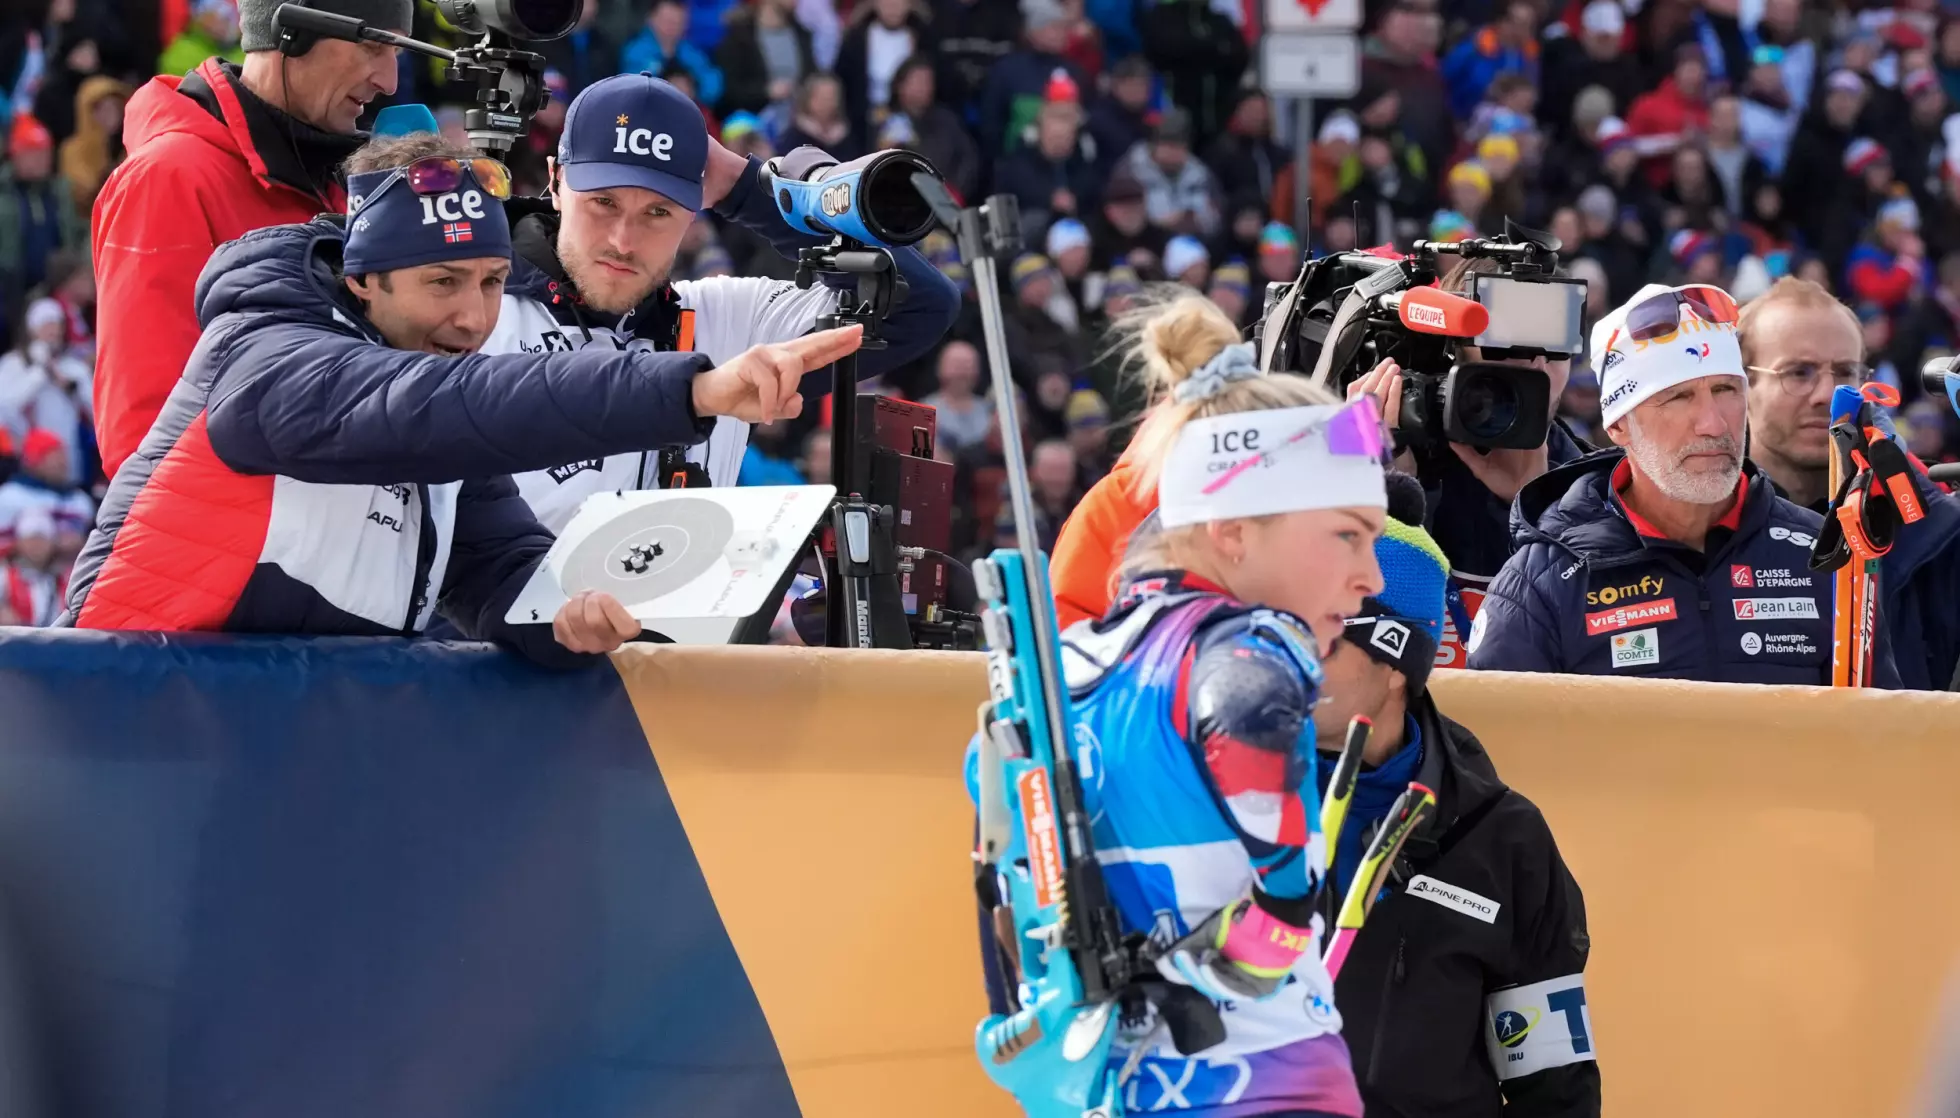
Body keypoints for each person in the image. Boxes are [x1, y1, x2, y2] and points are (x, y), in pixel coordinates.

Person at [59, 146, 862, 668]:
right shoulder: (265, 359)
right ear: (362, 280)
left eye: (488, 281)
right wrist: (687, 388)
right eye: (442, 284)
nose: (475, 320)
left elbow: (505, 574)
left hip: (271, 746)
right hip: (116, 731)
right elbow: (425, 410)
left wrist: (568, 621)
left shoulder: (424, 383)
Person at [980, 292, 1386, 1117]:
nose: (1371, 577)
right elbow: (1243, 704)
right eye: (1348, 534)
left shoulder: (1065, 669)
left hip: (1108, 1089)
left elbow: (1009, 911)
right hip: (1265, 1082)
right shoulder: (1244, 650)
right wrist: (1241, 939)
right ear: (1234, 532)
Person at [484, 72, 958, 532]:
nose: (624, 241)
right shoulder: (476, 315)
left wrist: (744, 188)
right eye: (603, 202)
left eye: (658, 211)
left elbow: (919, 305)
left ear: (695, 210)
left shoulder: (728, 320)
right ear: (555, 181)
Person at [1311, 489, 1599, 1117]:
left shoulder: (1502, 838)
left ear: (1396, 663)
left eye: (1325, 636)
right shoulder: (1230, 804)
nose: (1289, 656)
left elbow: (1550, 1077)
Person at [1467, 283, 1891, 685]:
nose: (1712, 424)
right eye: (1678, 397)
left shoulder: (1825, 552)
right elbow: (1495, 750)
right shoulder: (1543, 582)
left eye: (1725, 389)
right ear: (1618, 425)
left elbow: (1883, 735)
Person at [91, 0, 408, 478]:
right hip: (239, 545)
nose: (389, 81)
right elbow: (145, 438)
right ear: (290, 33)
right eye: (371, 48)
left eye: (397, 56)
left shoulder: (336, 178)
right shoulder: (170, 178)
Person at [1344, 255, 1591, 664]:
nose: (1536, 364)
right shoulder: (1379, 446)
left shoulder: (1597, 486)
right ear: (1453, 349)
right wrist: (1384, 494)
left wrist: (1538, 510)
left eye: (1555, 349)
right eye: (1509, 343)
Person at [1737, 278, 1960, 691]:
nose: (1826, 393)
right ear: (1743, 385)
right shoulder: (1694, 526)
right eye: (1798, 372)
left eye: (1844, 372)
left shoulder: (1939, 532)